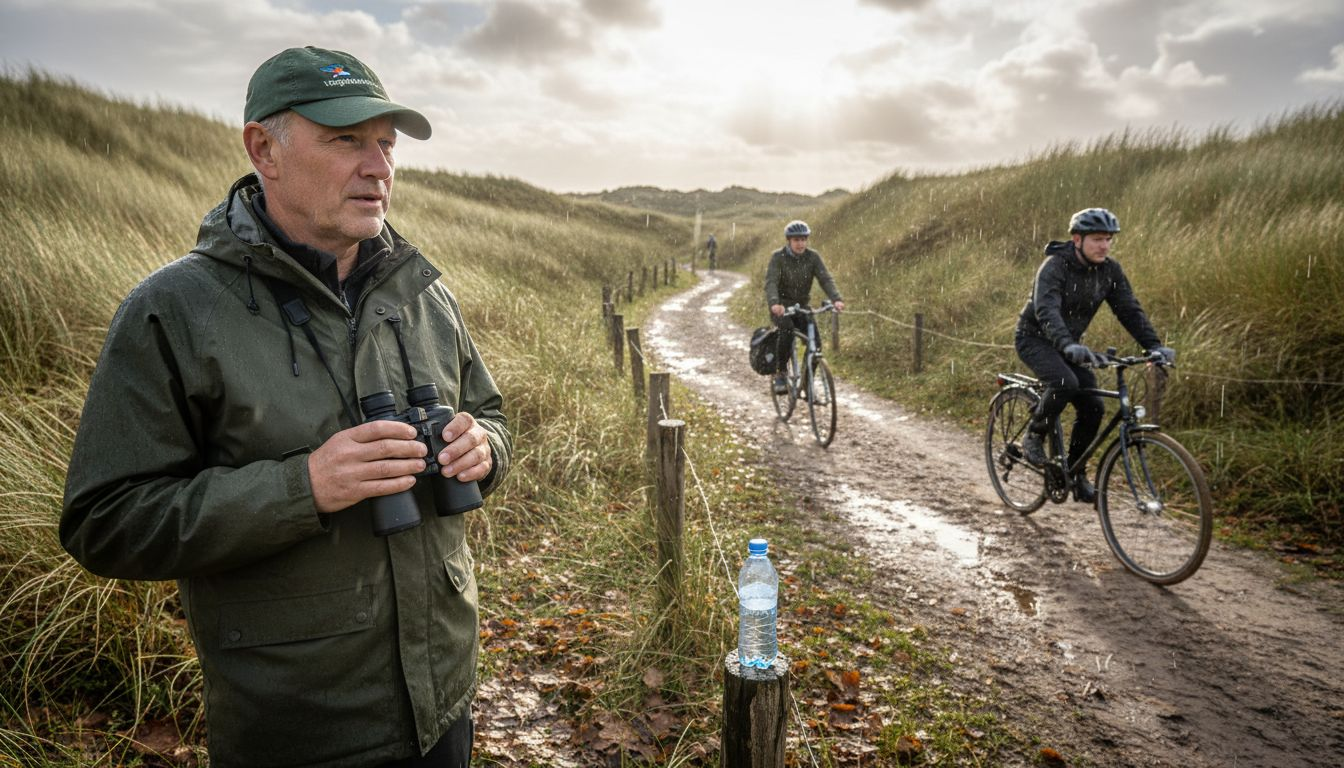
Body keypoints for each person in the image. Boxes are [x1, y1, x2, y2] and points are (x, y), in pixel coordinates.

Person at [60, 46, 512, 768]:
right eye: (345, 140)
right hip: (299, 731)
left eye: (386, 144)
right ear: (263, 148)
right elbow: (104, 520)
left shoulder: (424, 293)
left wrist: (484, 449)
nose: (378, 167)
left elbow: (491, 414)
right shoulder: (172, 312)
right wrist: (302, 489)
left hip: (444, 705)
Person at [1015, 207, 1173, 503]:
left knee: (1094, 407)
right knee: (1065, 383)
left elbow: (1129, 310)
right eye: (1097, 239)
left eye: (1108, 239)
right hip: (1034, 339)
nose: (1104, 246)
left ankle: (1075, 472)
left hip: (1069, 344)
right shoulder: (1054, 267)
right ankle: (1035, 434)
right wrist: (1065, 344)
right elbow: (1046, 309)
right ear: (1077, 239)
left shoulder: (1109, 271)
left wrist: (1154, 345)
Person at [764, 220, 845, 394]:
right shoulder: (778, 257)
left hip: (802, 307)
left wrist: (836, 298)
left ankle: (808, 383)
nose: (800, 243)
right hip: (782, 308)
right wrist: (774, 303)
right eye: (796, 240)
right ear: (789, 241)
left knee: (816, 345)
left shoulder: (812, 257)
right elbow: (770, 282)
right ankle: (780, 373)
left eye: (803, 239)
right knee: (786, 330)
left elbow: (825, 278)